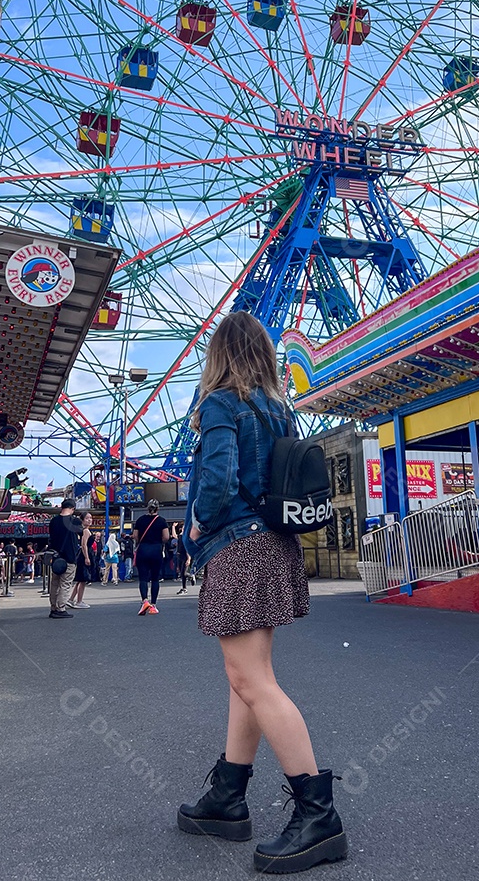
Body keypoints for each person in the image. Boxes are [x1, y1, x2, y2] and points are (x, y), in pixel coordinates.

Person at [178, 312, 347, 872]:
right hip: (275, 545)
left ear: (219, 353)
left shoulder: (222, 404)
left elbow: (220, 478)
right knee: (244, 679)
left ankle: (318, 814)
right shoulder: (280, 409)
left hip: (239, 546)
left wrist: (199, 522)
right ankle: (227, 798)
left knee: (254, 680)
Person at [133, 501, 168, 615]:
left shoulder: (140, 520)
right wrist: (159, 541)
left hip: (143, 549)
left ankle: (144, 601)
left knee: (143, 578)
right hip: (156, 550)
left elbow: (135, 536)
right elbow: (166, 537)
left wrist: (141, 541)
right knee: (155, 578)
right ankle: (153, 605)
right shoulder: (161, 521)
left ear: (147, 508)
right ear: (158, 508)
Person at [47, 499, 81, 619]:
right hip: (69, 557)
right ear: (72, 509)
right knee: (66, 584)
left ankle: (53, 608)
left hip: (56, 558)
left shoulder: (53, 521)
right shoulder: (75, 521)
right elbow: (82, 534)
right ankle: (60, 608)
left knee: (54, 583)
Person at [69, 512, 94, 609]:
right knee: (83, 579)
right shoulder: (85, 531)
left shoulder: (82, 530)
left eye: (91, 518)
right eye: (87, 518)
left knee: (80, 580)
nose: (90, 520)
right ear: (82, 520)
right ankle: (79, 601)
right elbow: (84, 545)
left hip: (82, 555)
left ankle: (71, 600)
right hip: (84, 556)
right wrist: (87, 557)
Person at [175, 522, 192, 594]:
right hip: (179, 555)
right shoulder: (180, 536)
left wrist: (189, 558)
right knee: (181, 573)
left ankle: (191, 575)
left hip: (185, 555)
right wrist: (173, 527)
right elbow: (174, 535)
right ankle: (184, 587)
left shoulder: (186, 537)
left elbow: (187, 548)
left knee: (184, 572)